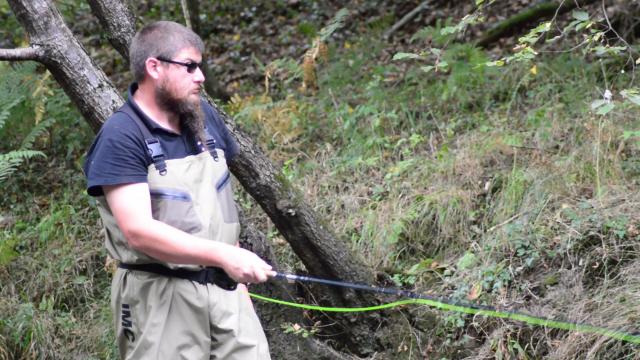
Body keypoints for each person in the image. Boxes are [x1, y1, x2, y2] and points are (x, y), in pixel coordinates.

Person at [83, 20, 273, 359]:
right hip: (159, 299)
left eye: (199, 66)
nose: (200, 76)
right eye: (189, 66)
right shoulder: (121, 136)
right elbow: (138, 231)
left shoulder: (204, 117)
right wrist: (225, 256)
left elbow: (217, 206)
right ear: (154, 67)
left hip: (227, 293)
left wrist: (237, 278)